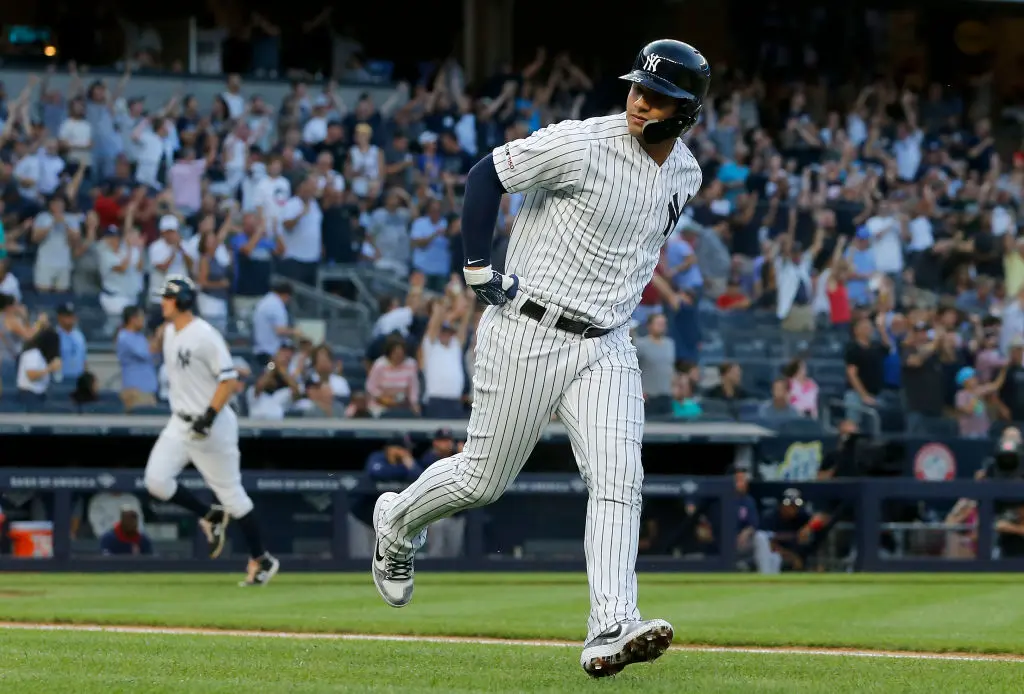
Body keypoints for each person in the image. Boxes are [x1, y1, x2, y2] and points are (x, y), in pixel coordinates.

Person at [370, 39, 708, 676]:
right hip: (528, 328)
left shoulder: (685, 173)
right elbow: (484, 176)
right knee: (482, 480)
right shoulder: (582, 143)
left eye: (658, 97)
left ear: (686, 113)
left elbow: (636, 247)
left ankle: (610, 625)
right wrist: (476, 267)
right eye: (638, 89)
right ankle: (395, 518)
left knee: (618, 477)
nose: (640, 102)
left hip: (607, 343)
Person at [142, 275, 279, 586]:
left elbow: (229, 381)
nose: (163, 302)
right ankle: (209, 515)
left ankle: (262, 560)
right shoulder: (169, 333)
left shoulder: (205, 335)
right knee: (156, 481)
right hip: (180, 422)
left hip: (212, 425)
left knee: (233, 497)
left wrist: (209, 415)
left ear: (183, 301)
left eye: (168, 297)